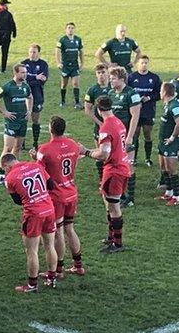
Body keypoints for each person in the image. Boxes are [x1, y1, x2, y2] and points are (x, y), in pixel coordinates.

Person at [31, 116, 85, 277]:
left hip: (56, 196)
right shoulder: (73, 144)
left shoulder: (45, 149)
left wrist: (35, 158)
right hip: (71, 191)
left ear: (50, 129)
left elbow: (39, 171)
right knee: (70, 228)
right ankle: (78, 265)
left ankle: (58, 269)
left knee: (59, 231)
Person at [79, 96, 130, 253]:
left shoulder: (106, 127)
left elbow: (104, 154)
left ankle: (118, 243)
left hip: (114, 170)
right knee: (110, 205)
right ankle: (111, 237)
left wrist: (85, 151)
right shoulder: (118, 122)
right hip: (122, 166)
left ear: (98, 110)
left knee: (114, 207)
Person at [2, 153, 57, 291]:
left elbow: (17, 201)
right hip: (49, 209)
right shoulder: (36, 166)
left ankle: (32, 285)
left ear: (6, 165)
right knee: (50, 245)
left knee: (31, 250)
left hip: (33, 214)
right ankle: (52, 278)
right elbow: (51, 185)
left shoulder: (10, 177)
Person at [0, 64, 33, 184]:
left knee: (17, 147)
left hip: (22, 122)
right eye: (22, 72)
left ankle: (14, 172)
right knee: (7, 148)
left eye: (25, 72)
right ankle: (2, 174)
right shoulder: (7, 87)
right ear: (16, 73)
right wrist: (4, 112)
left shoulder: (25, 86)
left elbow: (30, 97)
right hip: (11, 123)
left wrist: (29, 111)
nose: (25, 74)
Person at [107, 66, 141, 207]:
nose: (111, 81)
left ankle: (130, 198)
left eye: (113, 79)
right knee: (116, 165)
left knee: (128, 166)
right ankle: (120, 194)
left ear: (122, 79)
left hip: (126, 135)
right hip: (114, 137)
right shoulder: (110, 93)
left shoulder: (131, 94)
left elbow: (135, 116)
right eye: (110, 78)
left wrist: (130, 136)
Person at [128, 55, 162, 167]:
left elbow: (160, 94)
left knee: (147, 133)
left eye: (146, 63)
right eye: (142, 62)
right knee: (135, 134)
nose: (144, 65)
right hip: (135, 111)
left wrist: (149, 98)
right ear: (137, 63)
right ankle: (134, 158)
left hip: (148, 111)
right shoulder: (131, 77)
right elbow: (127, 92)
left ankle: (148, 158)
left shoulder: (154, 78)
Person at [155, 83, 179, 206]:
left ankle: (176, 197)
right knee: (164, 167)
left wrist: (172, 138)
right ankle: (169, 191)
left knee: (171, 169)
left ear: (165, 92)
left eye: (161, 90)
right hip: (163, 142)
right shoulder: (168, 104)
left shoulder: (174, 106)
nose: (159, 92)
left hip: (170, 143)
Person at [84, 64, 111, 178]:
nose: (101, 75)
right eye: (99, 73)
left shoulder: (113, 88)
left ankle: (111, 175)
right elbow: (87, 110)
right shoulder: (92, 90)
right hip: (99, 127)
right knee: (100, 152)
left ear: (108, 73)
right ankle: (102, 178)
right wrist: (100, 123)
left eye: (103, 72)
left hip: (113, 125)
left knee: (113, 153)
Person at [22, 43, 49, 149]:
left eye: (34, 52)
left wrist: (30, 80)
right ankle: (22, 141)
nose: (32, 54)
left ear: (38, 53)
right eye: (30, 52)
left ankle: (35, 142)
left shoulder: (43, 64)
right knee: (24, 118)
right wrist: (35, 77)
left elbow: (43, 80)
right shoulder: (24, 63)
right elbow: (22, 78)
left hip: (37, 95)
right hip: (24, 95)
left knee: (35, 119)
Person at [56, 22, 84, 109]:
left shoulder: (78, 39)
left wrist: (82, 63)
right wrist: (58, 62)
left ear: (74, 29)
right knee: (64, 84)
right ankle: (63, 101)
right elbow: (57, 51)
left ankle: (77, 102)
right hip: (65, 66)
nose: (70, 29)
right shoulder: (62, 40)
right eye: (69, 28)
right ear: (66, 29)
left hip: (75, 66)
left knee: (75, 83)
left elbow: (81, 51)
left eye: (72, 28)